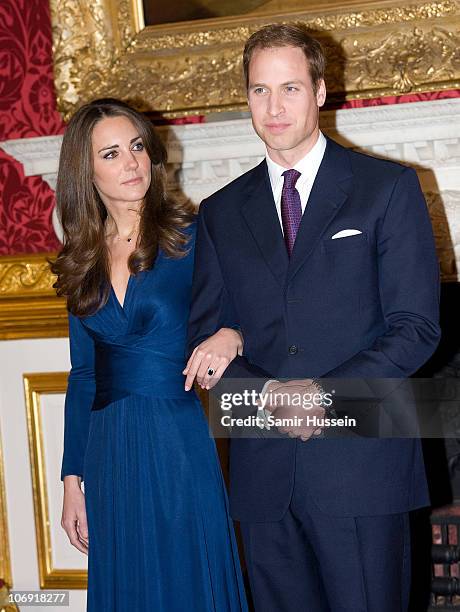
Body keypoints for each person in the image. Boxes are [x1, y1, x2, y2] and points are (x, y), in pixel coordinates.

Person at [187, 24, 441, 611]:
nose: (274, 108)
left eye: (291, 89)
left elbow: (417, 328)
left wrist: (324, 395)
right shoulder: (221, 212)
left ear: (321, 92)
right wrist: (269, 390)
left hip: (363, 468)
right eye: (259, 91)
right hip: (262, 473)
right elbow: (205, 338)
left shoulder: (389, 189)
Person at [52, 98, 248, 611]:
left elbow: (255, 309)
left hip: (177, 439)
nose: (132, 162)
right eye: (112, 154)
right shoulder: (80, 259)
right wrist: (73, 480)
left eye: (137, 147)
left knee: (188, 582)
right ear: (86, 171)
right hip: (109, 452)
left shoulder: (195, 235)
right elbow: (83, 375)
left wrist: (234, 333)